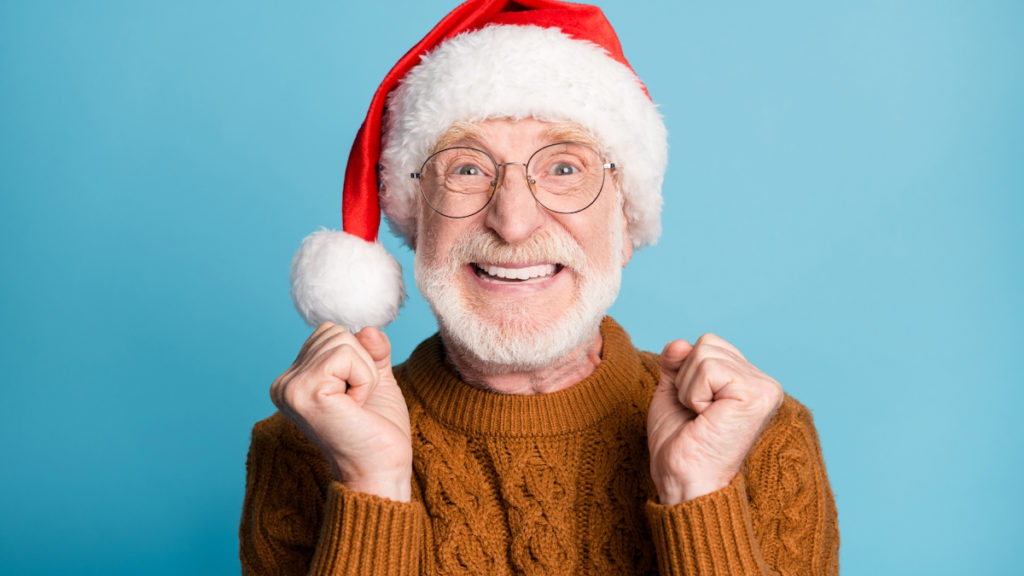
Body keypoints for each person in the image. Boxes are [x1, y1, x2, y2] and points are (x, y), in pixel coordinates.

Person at [239, 0, 839, 574]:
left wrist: (698, 493)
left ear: (625, 225)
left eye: (563, 168)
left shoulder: (757, 435)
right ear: (415, 223)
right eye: (467, 169)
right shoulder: (306, 446)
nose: (514, 221)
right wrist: (373, 487)